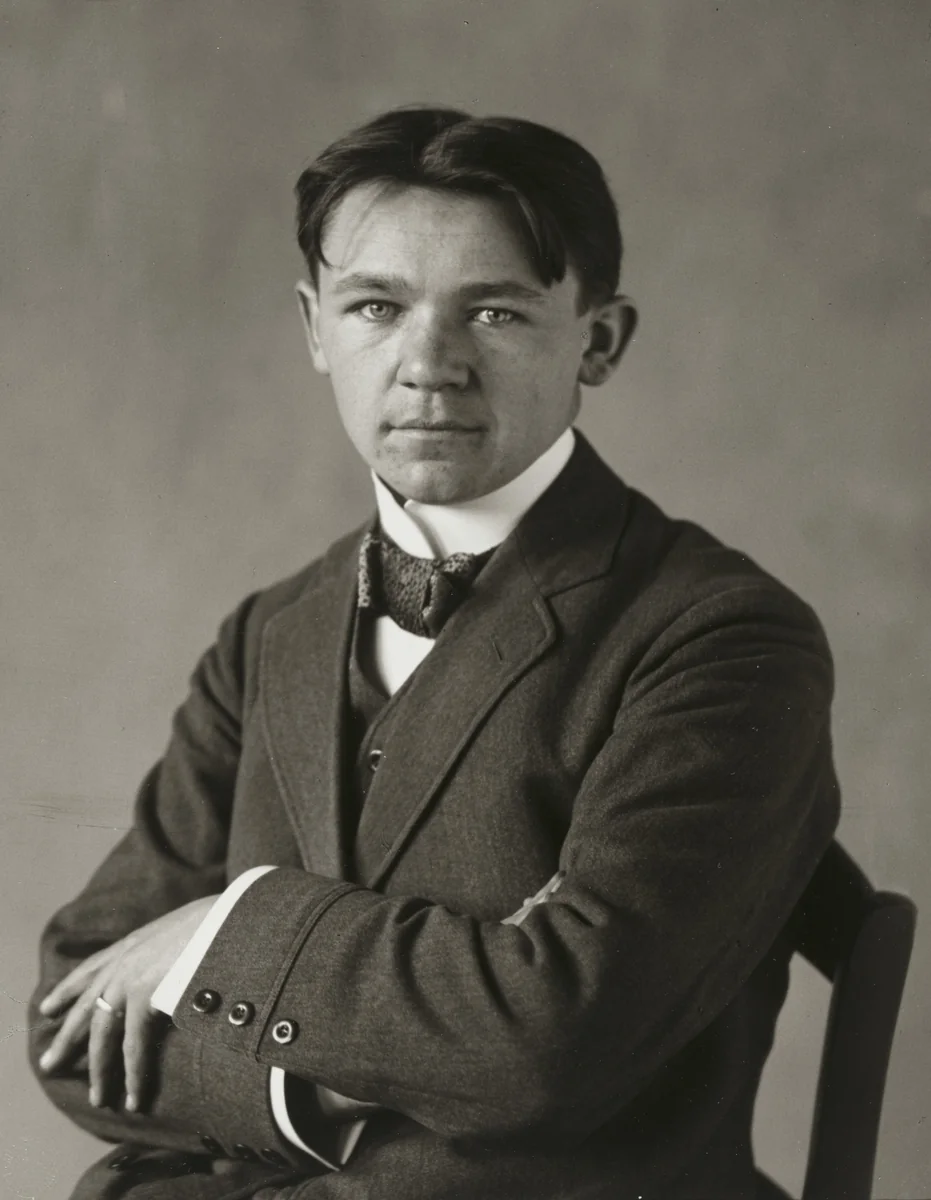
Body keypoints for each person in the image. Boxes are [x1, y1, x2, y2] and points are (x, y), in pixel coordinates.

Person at [29, 107, 840, 1199]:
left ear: (598, 339)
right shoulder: (272, 630)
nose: (428, 366)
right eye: (376, 306)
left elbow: (555, 1044)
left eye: (496, 312)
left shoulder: (719, 635)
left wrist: (225, 934)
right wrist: (323, 1092)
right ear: (317, 330)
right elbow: (73, 1022)